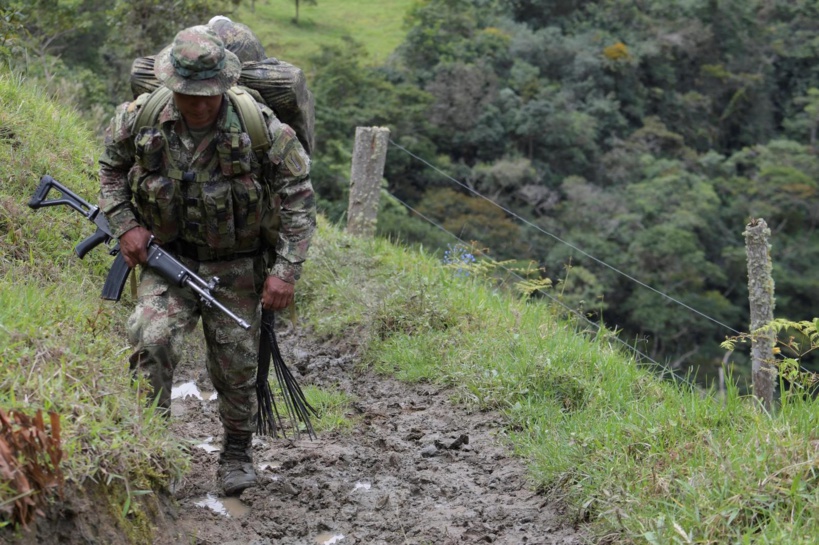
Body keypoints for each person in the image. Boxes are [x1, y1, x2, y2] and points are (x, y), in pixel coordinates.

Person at [98, 25, 316, 496]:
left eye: (208, 95)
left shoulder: (260, 127)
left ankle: (236, 452)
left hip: (237, 264)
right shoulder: (139, 117)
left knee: (236, 367)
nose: (198, 105)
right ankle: (148, 447)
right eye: (188, 95)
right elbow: (111, 168)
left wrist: (285, 272)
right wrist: (126, 224)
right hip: (168, 259)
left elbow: (299, 197)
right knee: (149, 338)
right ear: (171, 85)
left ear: (225, 85)